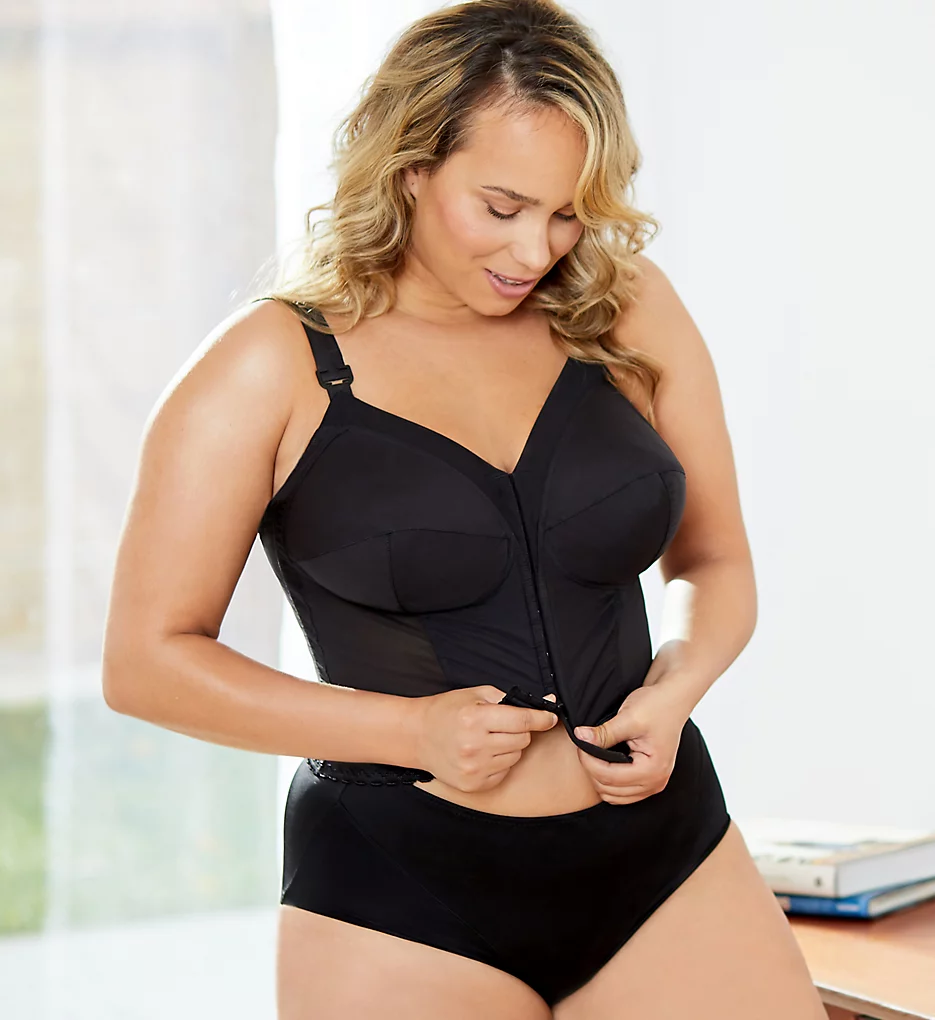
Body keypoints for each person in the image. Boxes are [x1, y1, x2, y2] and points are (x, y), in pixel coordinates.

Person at [102, 1, 829, 1017]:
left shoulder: (623, 310)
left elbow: (715, 561)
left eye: (566, 213)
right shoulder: (268, 367)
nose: (535, 250)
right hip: (400, 887)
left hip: (664, 856)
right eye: (501, 206)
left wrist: (675, 690)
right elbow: (146, 663)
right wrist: (409, 731)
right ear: (410, 167)